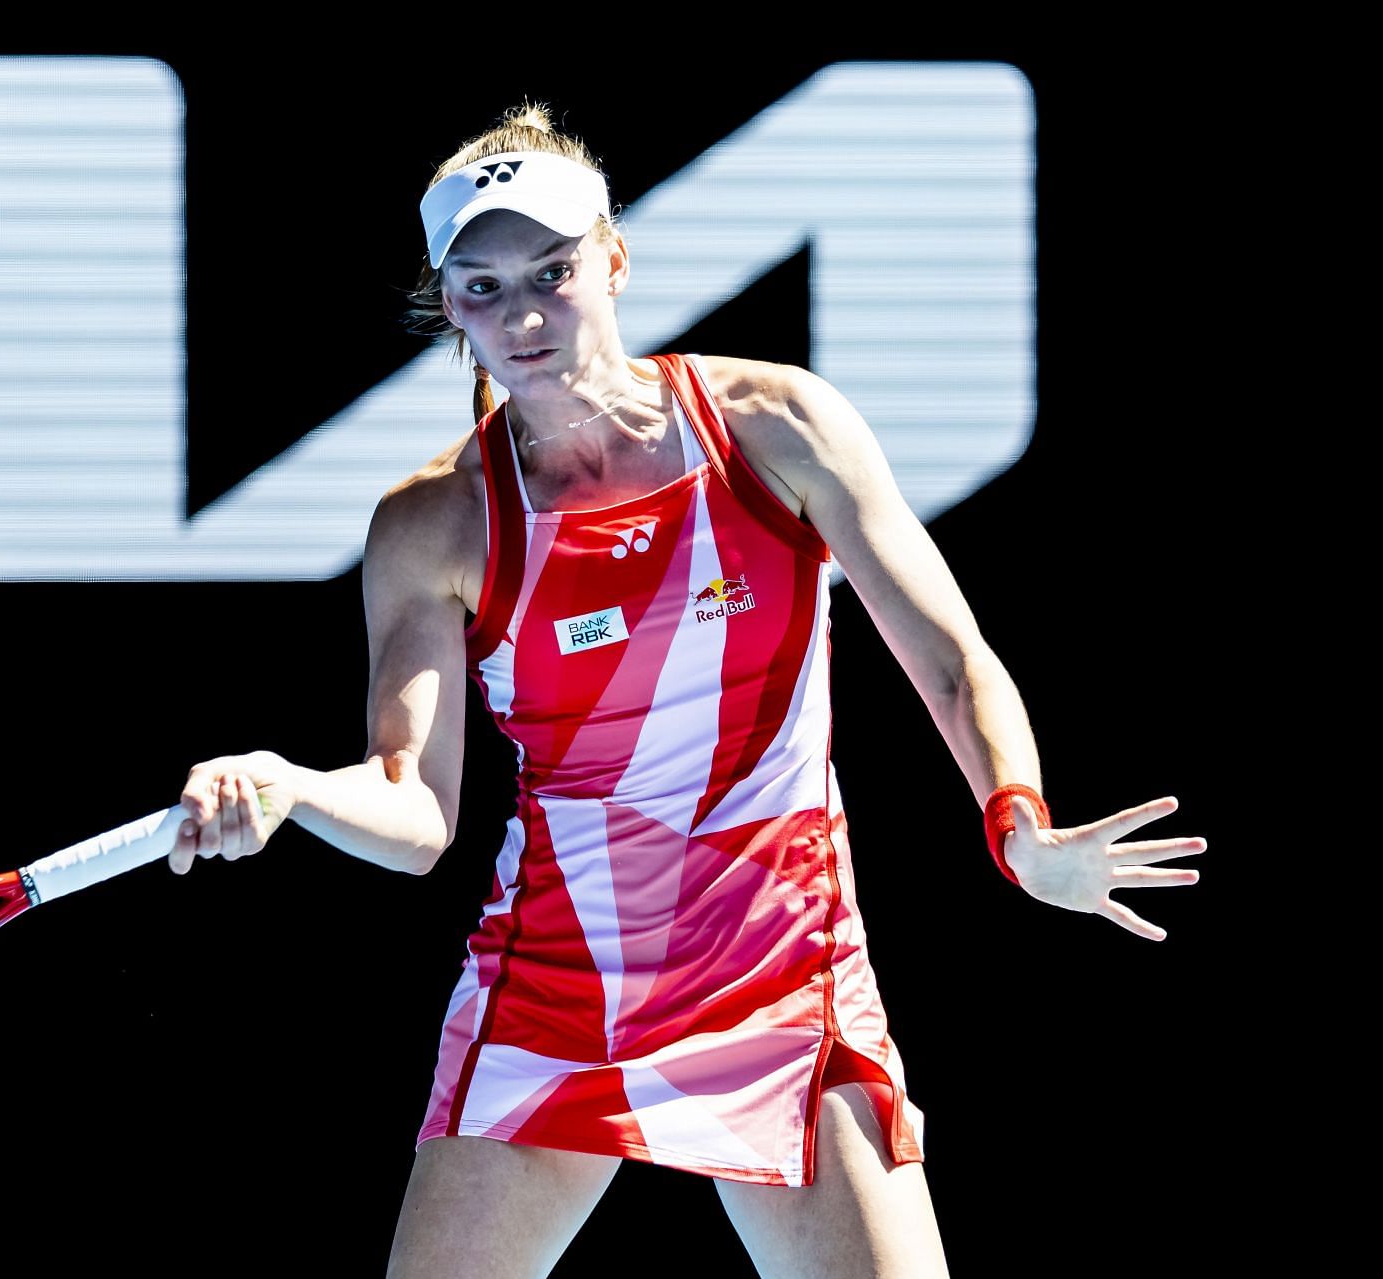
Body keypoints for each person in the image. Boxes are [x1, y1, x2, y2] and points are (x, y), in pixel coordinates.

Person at [161, 102, 1206, 1278]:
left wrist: (1019, 827)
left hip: (785, 970)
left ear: (612, 257)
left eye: (553, 272)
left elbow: (955, 667)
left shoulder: (777, 428)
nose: (524, 315)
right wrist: (295, 787)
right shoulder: (435, 524)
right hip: (558, 996)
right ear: (448, 305)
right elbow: (415, 814)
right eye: (483, 287)